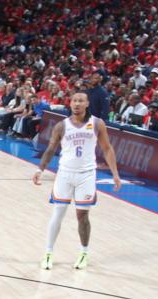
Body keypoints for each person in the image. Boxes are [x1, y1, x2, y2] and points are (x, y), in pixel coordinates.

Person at [34, 92, 122, 270]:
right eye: (74, 101)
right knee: (58, 213)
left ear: (87, 103)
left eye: (81, 101)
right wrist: (40, 169)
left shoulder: (97, 123)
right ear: (70, 103)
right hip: (65, 174)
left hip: (86, 175)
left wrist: (115, 173)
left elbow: (107, 148)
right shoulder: (61, 125)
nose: (77, 104)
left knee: (82, 216)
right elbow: (51, 148)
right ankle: (48, 253)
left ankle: (83, 253)